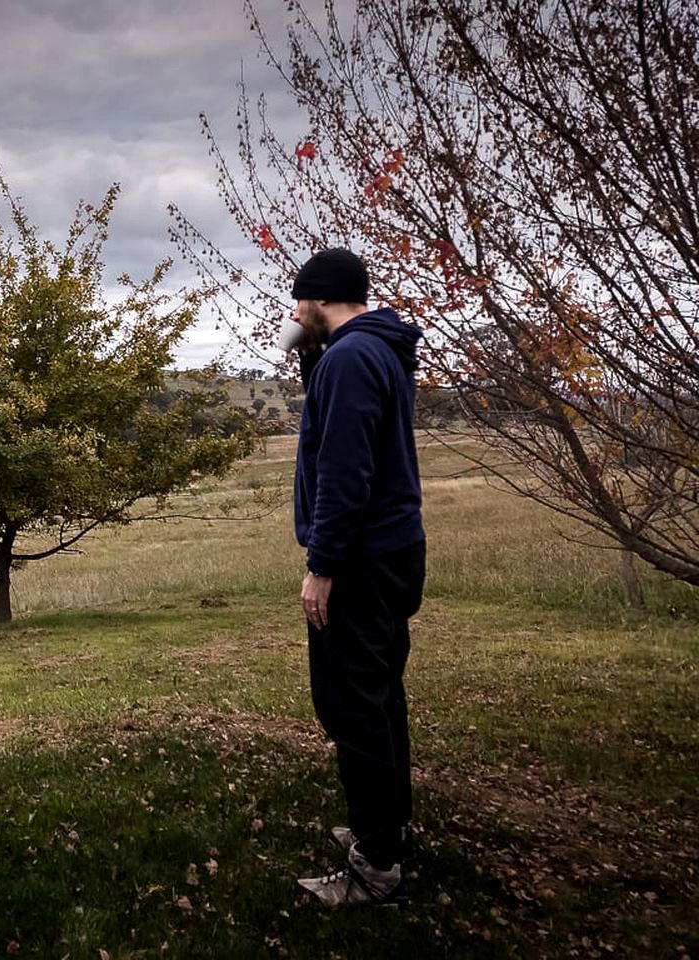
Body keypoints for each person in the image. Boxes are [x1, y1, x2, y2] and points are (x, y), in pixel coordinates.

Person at [286, 248, 426, 907]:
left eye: (299, 303)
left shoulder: (349, 359)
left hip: (360, 560)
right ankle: (389, 831)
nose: (292, 314)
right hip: (394, 550)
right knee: (379, 695)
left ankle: (375, 870)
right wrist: (312, 355)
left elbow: (345, 474)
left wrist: (322, 567)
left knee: (352, 706)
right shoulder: (377, 351)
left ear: (322, 298)